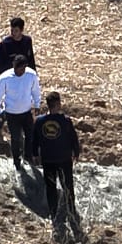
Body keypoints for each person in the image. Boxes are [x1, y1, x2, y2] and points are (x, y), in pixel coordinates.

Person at [30, 91, 82, 232]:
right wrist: (76, 152)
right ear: (58, 104)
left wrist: (35, 154)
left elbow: (34, 140)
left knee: (51, 188)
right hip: (64, 159)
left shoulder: (40, 121)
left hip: (48, 159)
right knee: (68, 187)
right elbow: (73, 138)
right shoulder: (65, 121)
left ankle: (54, 214)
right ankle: (71, 211)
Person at [0, 52, 41, 169]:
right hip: (11, 113)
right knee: (15, 137)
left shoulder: (31, 75)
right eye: (17, 68)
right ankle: (17, 161)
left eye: (21, 69)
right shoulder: (5, 77)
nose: (19, 71)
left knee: (30, 135)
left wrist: (37, 105)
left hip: (26, 112)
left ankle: (28, 158)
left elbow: (35, 91)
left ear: (25, 67)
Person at [0, 17, 37, 142]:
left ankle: (20, 133)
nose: (13, 33)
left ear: (21, 30)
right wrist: (4, 81)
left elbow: (30, 59)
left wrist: (33, 77)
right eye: (12, 30)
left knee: (23, 104)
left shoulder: (27, 41)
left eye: (16, 30)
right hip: (10, 79)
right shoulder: (5, 45)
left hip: (24, 78)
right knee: (9, 104)